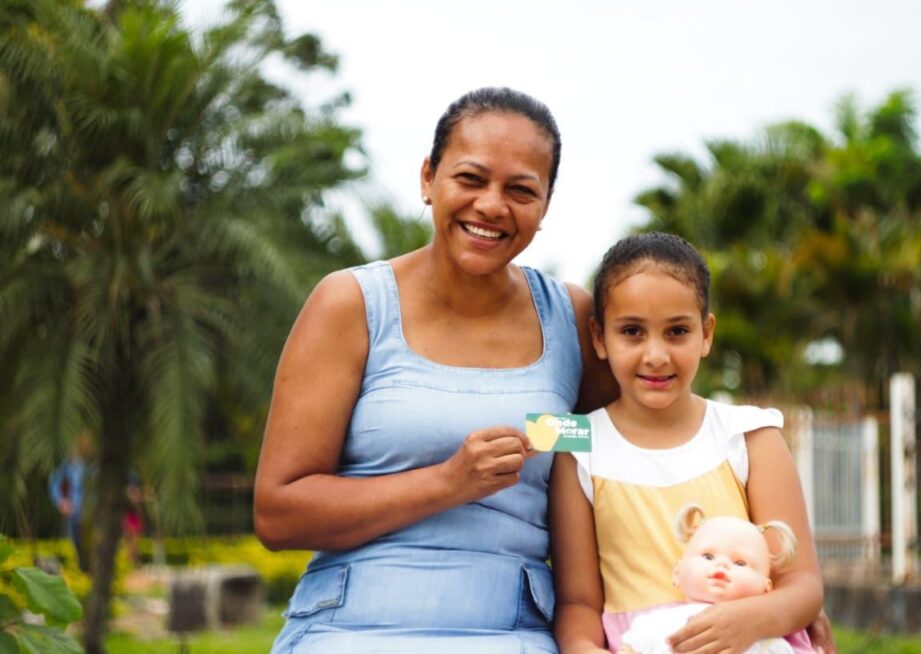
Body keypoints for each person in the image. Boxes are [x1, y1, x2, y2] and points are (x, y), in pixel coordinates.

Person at [254, 87, 616, 653]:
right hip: (349, 630)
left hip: (512, 633)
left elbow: (634, 453)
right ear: (428, 178)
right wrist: (448, 483)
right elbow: (278, 516)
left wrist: (772, 596)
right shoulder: (351, 304)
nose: (492, 205)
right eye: (470, 179)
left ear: (544, 207)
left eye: (521, 190)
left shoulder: (572, 318)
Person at [550, 232, 824, 653]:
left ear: (707, 333)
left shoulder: (750, 436)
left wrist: (747, 621)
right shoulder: (580, 449)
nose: (656, 355)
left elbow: (802, 584)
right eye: (632, 332)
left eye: (677, 331)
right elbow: (578, 601)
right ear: (600, 337)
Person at [619, 505, 804, 654]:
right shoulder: (654, 623)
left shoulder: (768, 641)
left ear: (765, 589)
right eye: (708, 557)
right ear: (678, 572)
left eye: (740, 563)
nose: (722, 564)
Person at [48, 433, 92, 572]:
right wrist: (61, 502)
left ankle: (84, 570)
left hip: (88, 513)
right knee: (71, 544)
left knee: (87, 545)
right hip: (72, 512)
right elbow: (54, 484)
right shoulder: (65, 467)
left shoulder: (88, 466)